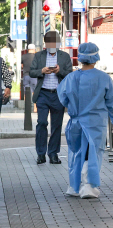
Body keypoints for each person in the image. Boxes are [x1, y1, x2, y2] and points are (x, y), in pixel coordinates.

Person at [57, 43, 113, 199]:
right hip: (95, 123)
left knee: (76, 153)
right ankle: (89, 187)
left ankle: (74, 186)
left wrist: (73, 107)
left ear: (80, 58)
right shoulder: (104, 78)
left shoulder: (70, 78)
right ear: (96, 58)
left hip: (76, 122)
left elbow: (62, 97)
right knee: (92, 153)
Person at [29, 31, 73, 165]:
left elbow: (70, 75)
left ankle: (53, 153)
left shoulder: (65, 57)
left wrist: (59, 71)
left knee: (56, 125)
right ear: (46, 44)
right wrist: (42, 71)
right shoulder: (39, 56)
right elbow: (31, 72)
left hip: (58, 94)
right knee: (42, 123)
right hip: (43, 93)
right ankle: (41, 154)